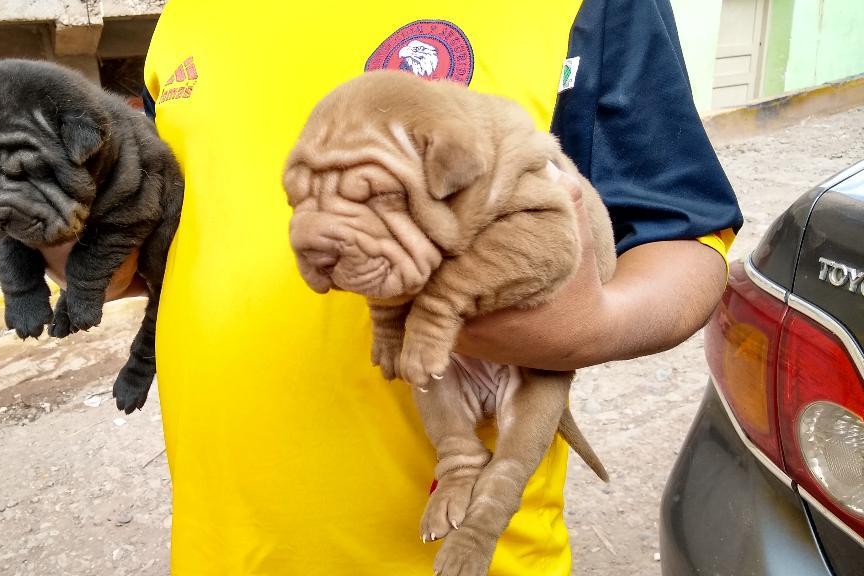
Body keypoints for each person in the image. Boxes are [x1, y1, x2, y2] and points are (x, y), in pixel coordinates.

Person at [44, 0, 742, 573]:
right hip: (220, 551)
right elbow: (160, 256)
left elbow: (686, 237)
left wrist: (594, 325)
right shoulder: (189, 15)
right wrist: (46, 217)